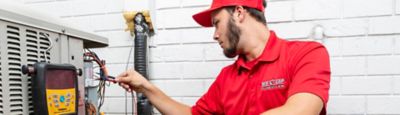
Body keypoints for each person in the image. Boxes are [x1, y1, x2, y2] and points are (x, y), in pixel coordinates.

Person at [115, 0, 331, 114]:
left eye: (217, 22)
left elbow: (302, 110)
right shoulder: (227, 77)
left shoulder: (306, 54)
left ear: (239, 12)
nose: (215, 34)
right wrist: (146, 88)